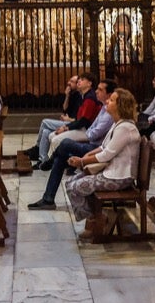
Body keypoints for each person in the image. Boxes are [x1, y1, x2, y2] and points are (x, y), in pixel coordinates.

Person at [65, 87, 143, 240]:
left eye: (112, 100)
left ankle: (95, 220)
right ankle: (97, 217)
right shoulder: (118, 124)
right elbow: (102, 147)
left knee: (76, 187)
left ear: (121, 105)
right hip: (112, 172)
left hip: (120, 177)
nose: (107, 101)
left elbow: (107, 154)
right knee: (70, 182)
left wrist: (82, 161)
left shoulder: (126, 128)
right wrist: (87, 156)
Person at [27, 80, 114, 209]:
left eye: (100, 90)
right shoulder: (103, 108)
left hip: (95, 147)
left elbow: (94, 133)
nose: (96, 91)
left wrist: (86, 155)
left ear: (110, 94)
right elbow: (92, 127)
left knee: (65, 143)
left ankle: (49, 162)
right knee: (61, 157)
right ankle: (48, 198)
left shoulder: (109, 113)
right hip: (93, 145)